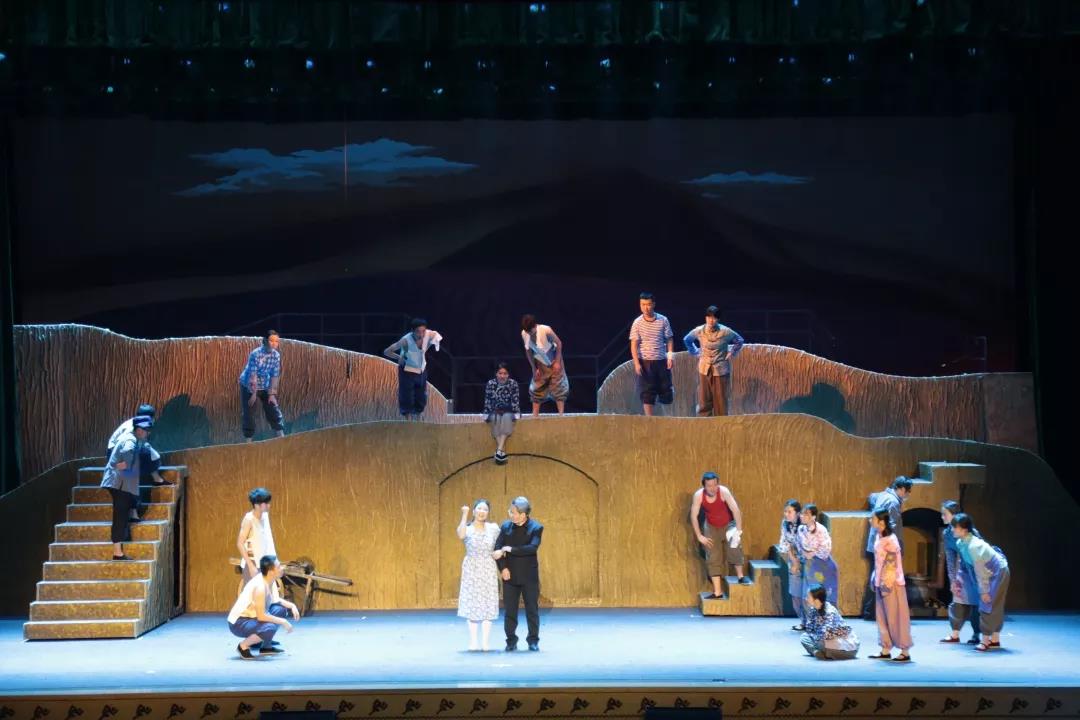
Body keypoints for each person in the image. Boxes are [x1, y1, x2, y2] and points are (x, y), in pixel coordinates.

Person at [951, 513, 1010, 652]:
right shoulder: (961, 543)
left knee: (987, 603)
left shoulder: (974, 546)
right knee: (990, 603)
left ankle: (986, 640)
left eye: (955, 527)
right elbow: (966, 566)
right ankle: (994, 640)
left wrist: (984, 591)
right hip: (988, 572)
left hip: (997, 571)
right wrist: (959, 581)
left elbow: (980, 570)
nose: (952, 529)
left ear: (964, 530)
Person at [100, 415, 154, 561]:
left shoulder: (131, 438)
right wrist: (117, 466)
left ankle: (118, 549)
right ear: (139, 430)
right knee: (120, 516)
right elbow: (124, 462)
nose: (148, 433)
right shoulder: (130, 441)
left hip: (120, 483)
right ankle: (117, 552)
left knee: (124, 512)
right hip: (119, 483)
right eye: (146, 430)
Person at [226, 554, 300, 660]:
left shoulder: (269, 580)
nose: (282, 568)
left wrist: (292, 606)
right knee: (269, 626)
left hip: (252, 618)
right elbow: (261, 616)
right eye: (279, 566)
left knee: (280, 610)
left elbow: (276, 600)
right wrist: (283, 622)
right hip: (239, 623)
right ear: (271, 572)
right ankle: (243, 646)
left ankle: (266, 647)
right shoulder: (260, 587)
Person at [690, 471, 749, 597]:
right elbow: (693, 516)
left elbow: (735, 510)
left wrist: (738, 531)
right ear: (704, 486)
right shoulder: (698, 495)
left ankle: (740, 576)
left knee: (734, 548)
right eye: (709, 486)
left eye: (715, 485)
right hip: (711, 527)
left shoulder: (723, 492)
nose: (713, 488)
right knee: (713, 556)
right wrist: (699, 536)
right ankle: (718, 592)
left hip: (728, 524)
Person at [496, 496, 543, 651]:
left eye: (514, 512)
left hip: (529, 576)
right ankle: (511, 641)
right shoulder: (505, 527)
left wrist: (511, 549)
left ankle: (533, 640)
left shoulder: (536, 527)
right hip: (510, 575)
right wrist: (503, 568)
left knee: (532, 610)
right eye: (510, 512)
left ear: (523, 514)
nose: (511, 515)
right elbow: (498, 549)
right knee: (510, 611)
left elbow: (532, 548)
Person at [863, 476, 914, 618]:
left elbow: (871, 497)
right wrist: (893, 549)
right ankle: (872, 612)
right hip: (884, 548)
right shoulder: (893, 502)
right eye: (908, 491)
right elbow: (891, 527)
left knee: (876, 577)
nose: (908, 494)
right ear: (902, 489)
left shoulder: (883, 495)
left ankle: (871, 611)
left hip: (875, 544)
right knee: (881, 579)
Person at [868, 508, 913, 662]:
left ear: (881, 522)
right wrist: (875, 578)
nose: (870, 521)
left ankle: (904, 651)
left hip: (892, 584)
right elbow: (878, 561)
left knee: (896, 618)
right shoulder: (878, 536)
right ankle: (885, 648)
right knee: (882, 616)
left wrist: (885, 583)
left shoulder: (891, 540)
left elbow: (891, 565)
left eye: (873, 519)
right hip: (880, 582)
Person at [456, 499, 502, 651]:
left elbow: (502, 541)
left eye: (485, 509)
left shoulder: (493, 528)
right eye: (479, 509)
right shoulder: (467, 529)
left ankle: (486, 642)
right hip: (472, 568)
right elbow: (461, 535)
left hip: (488, 567)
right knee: (472, 603)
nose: (482, 512)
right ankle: (474, 642)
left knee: (488, 603)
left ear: (488, 513)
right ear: (474, 511)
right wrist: (464, 514)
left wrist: (501, 551)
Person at [683, 306, 744, 416]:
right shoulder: (699, 330)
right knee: (704, 397)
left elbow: (739, 340)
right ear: (705, 318)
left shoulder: (726, 331)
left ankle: (721, 421)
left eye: (714, 318)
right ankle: (705, 421)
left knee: (720, 398)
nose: (711, 320)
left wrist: (732, 352)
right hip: (704, 368)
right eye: (709, 317)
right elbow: (687, 340)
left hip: (720, 368)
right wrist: (696, 352)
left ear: (718, 319)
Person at [934, 501, 981, 644]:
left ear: (954, 515)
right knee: (957, 600)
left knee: (975, 603)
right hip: (963, 570)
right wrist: (953, 580)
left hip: (976, 571)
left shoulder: (971, 532)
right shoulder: (948, 533)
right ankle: (955, 633)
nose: (942, 517)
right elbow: (950, 558)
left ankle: (977, 634)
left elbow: (980, 556)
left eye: (945, 514)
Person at [384, 318, 443, 421]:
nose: (421, 334)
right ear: (412, 331)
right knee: (407, 397)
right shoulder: (405, 340)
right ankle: (408, 421)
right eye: (418, 332)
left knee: (421, 397)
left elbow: (436, 337)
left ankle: (418, 420)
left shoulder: (428, 334)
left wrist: (431, 343)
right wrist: (399, 357)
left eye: (423, 331)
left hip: (421, 369)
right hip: (407, 370)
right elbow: (387, 351)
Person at [629, 292, 674, 416]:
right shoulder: (637, 322)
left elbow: (669, 338)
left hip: (661, 360)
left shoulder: (663, 320)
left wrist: (670, 356)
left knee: (665, 389)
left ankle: (666, 419)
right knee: (647, 392)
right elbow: (634, 344)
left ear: (653, 304)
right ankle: (650, 420)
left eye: (648, 304)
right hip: (645, 361)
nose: (646, 308)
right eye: (642, 304)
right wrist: (636, 363)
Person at [238, 329, 285, 441]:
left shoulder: (276, 355)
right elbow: (252, 374)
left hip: (265, 384)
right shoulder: (256, 354)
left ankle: (281, 435)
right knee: (249, 411)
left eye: (276, 341)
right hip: (249, 384)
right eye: (271, 340)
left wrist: (271, 394)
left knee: (272, 406)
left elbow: (274, 374)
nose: (274, 343)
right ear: (265, 340)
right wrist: (253, 393)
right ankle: (248, 441)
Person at [521, 314, 569, 416]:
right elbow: (528, 351)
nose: (529, 333)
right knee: (537, 385)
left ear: (535, 326)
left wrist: (557, 362)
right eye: (527, 331)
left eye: (530, 331)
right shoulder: (524, 333)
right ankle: (535, 415)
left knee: (558, 385)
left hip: (554, 357)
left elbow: (559, 343)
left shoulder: (546, 330)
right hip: (540, 360)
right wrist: (534, 369)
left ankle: (561, 415)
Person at [798, 504, 840, 615]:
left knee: (827, 595)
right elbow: (799, 545)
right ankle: (810, 621)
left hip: (823, 564)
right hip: (810, 564)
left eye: (806, 514)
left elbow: (826, 548)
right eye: (802, 513)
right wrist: (804, 554)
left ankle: (830, 620)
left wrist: (812, 553)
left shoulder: (821, 529)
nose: (802, 516)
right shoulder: (801, 529)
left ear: (813, 517)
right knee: (808, 594)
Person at [800, 584, 860, 660]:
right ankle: (816, 652)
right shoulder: (813, 610)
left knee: (820, 642)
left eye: (808, 597)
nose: (806, 599)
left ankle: (820, 651)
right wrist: (815, 634)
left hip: (846, 647)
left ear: (817, 600)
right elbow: (809, 629)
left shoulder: (829, 611)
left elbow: (825, 635)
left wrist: (815, 635)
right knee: (804, 637)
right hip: (827, 641)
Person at [236, 487, 277, 585]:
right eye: (265, 503)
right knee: (253, 593)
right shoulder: (249, 520)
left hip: (264, 564)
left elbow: (268, 541)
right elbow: (240, 543)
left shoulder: (265, 517)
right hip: (253, 563)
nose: (268, 505)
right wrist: (250, 566)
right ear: (257, 505)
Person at [482, 362, 521, 464]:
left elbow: (515, 400)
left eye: (505, 373)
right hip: (494, 411)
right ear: (496, 374)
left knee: (506, 417)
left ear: (508, 374)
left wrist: (516, 412)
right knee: (495, 418)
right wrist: (486, 413)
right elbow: (488, 400)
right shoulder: (491, 384)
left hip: (509, 411)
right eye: (500, 373)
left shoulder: (513, 383)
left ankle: (499, 450)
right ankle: (501, 452)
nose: (502, 376)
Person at [778, 499, 805, 630]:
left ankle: (812, 623)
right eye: (785, 511)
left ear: (797, 513)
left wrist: (798, 561)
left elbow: (806, 546)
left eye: (789, 512)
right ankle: (803, 621)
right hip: (793, 559)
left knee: (808, 594)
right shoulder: (785, 524)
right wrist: (793, 559)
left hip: (807, 561)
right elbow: (783, 543)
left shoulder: (804, 525)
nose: (786, 514)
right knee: (795, 593)